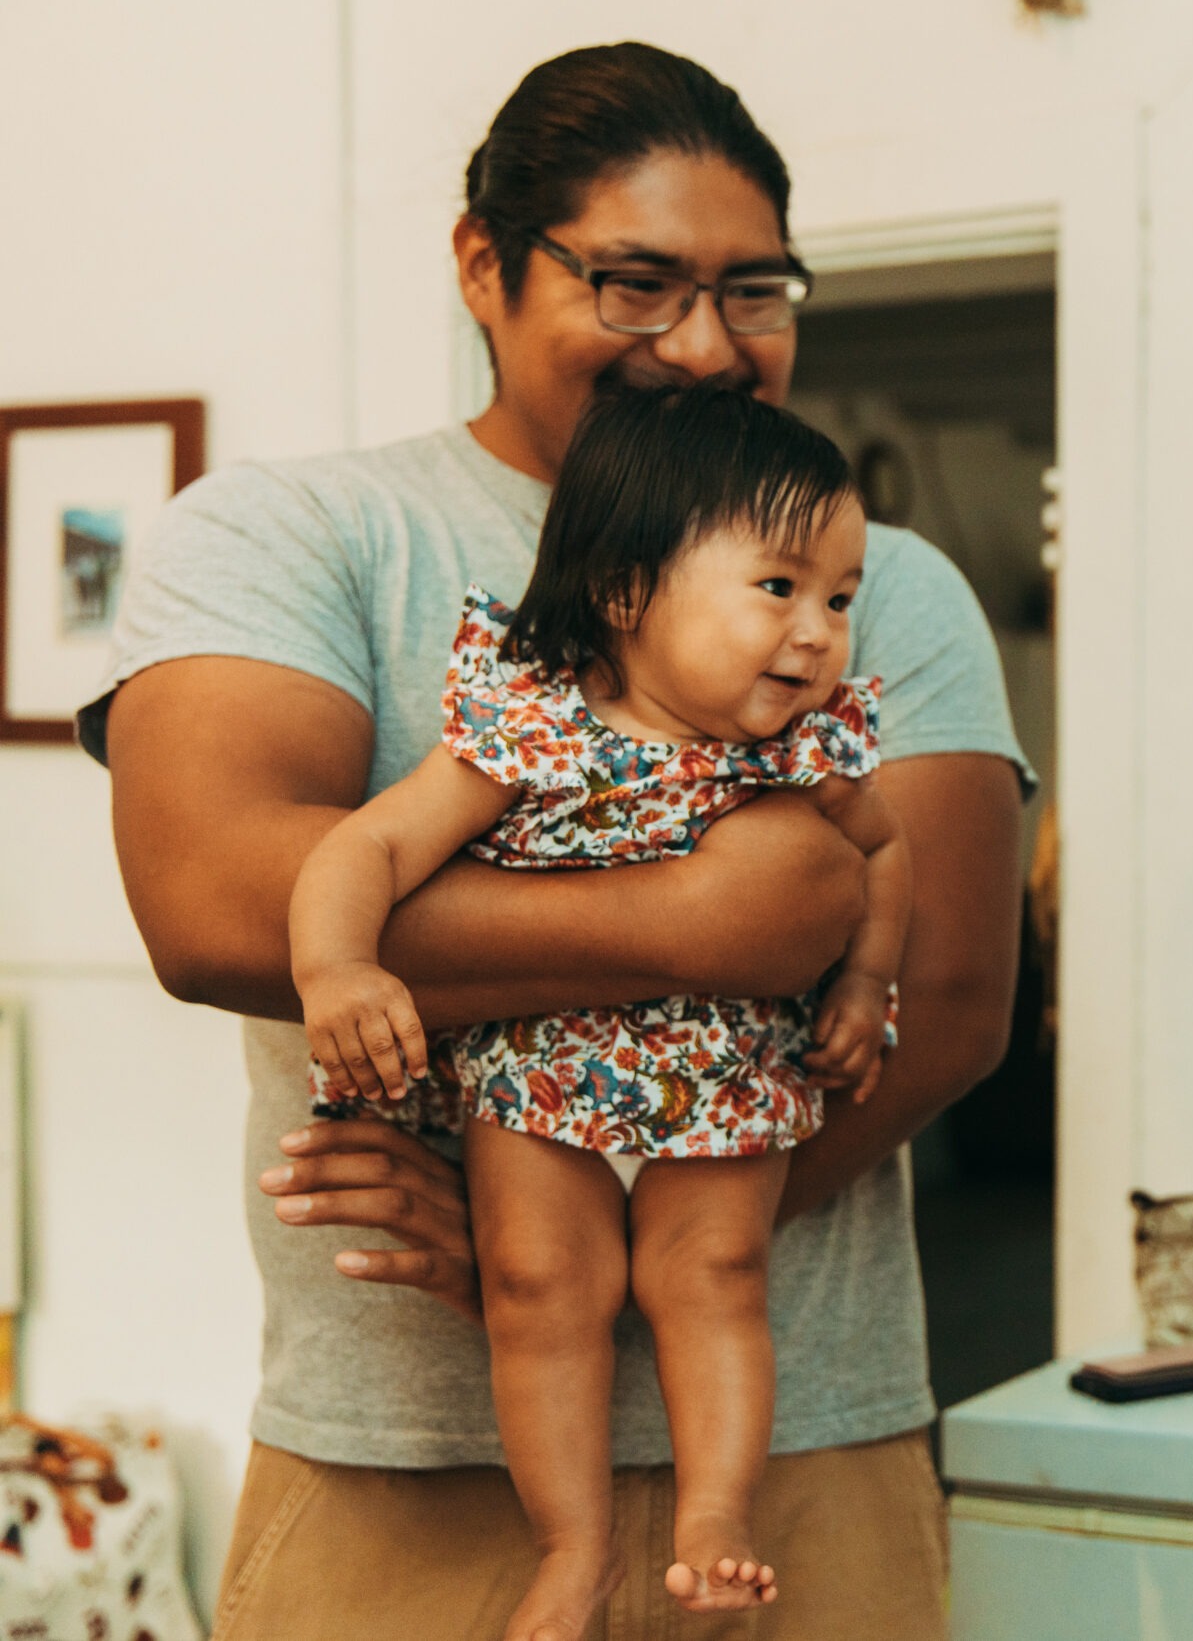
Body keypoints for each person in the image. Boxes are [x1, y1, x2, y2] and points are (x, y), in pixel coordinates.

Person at [85, 43, 1025, 1641]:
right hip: (412, 1464)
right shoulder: (298, 533)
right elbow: (214, 903)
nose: (709, 347)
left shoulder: (880, 586)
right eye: (638, 283)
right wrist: (698, 919)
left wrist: (637, 1227)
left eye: (757, 291)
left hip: (804, 1451)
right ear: (484, 267)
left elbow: (942, 1001)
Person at [292, 386, 911, 1638]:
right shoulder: (526, 718)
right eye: (779, 588)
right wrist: (338, 973)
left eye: (839, 599)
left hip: (724, 1067)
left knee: (715, 1274)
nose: (817, 634)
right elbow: (367, 852)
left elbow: (886, 855)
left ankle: (713, 1520)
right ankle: (570, 1550)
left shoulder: (805, 745)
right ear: (628, 592)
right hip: (540, 1067)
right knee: (538, 1286)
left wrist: (863, 978)